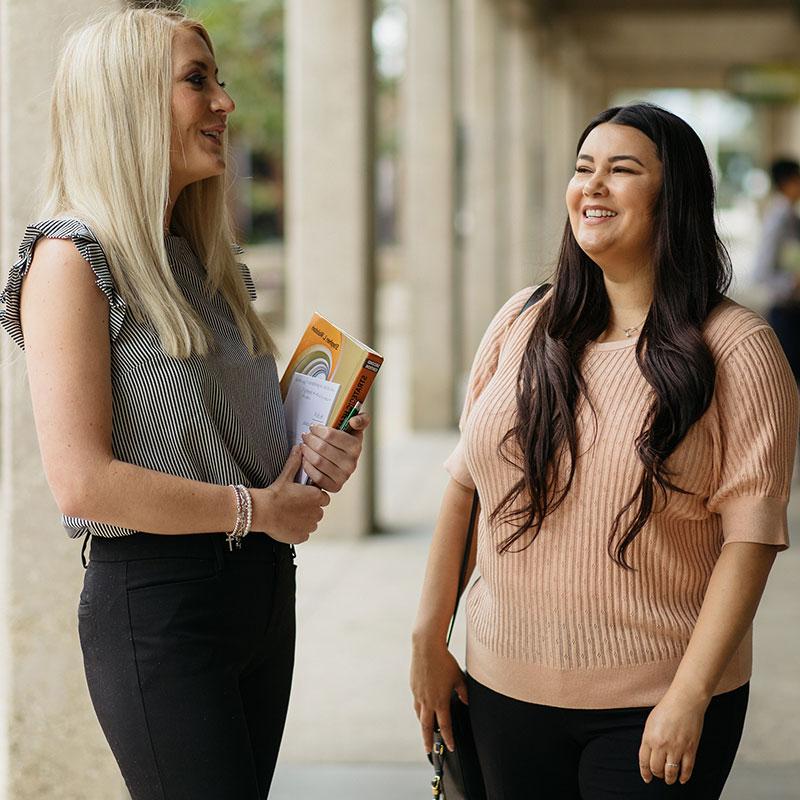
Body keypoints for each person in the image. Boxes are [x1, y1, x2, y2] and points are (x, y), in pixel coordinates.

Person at [0, 7, 369, 799]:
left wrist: (310, 454)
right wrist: (256, 510)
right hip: (160, 607)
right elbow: (82, 482)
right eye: (196, 81)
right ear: (129, 99)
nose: (225, 103)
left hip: (263, 596)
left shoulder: (202, 258)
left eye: (220, 80)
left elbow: (230, 442)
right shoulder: (69, 260)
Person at [411, 103, 798, 799]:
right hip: (501, 689)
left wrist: (690, 696)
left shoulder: (738, 348)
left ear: (673, 198)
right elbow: (466, 488)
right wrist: (427, 639)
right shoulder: (522, 322)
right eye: (584, 168)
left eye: (622, 170)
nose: (593, 186)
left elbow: (752, 541)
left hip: (654, 705)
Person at [753, 157, 800, 382]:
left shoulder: (790, 215)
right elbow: (761, 272)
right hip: (785, 311)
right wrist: (792, 282)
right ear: (788, 182)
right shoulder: (779, 217)